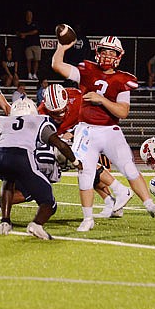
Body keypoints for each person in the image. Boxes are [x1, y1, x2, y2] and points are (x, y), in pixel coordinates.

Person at [52, 36, 155, 232]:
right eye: (104, 51)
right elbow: (57, 65)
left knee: (129, 168)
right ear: (98, 52)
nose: (107, 55)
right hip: (86, 130)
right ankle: (87, 219)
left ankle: (149, 204)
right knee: (84, 173)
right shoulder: (87, 69)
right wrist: (61, 46)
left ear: (119, 56)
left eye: (112, 52)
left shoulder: (123, 79)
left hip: (111, 131)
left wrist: (101, 100)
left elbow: (123, 112)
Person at [0, 97, 83, 239]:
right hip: (21, 157)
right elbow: (60, 144)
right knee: (49, 202)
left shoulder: (2, 120)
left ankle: (5, 221)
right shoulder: (39, 121)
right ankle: (37, 224)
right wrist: (75, 161)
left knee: (8, 181)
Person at [39, 84, 134, 218]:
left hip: (87, 128)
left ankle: (120, 190)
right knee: (84, 170)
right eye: (56, 113)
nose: (60, 115)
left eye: (62, 110)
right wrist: (61, 137)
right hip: (64, 138)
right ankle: (110, 202)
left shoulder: (78, 97)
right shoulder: (41, 112)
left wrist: (75, 132)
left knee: (83, 164)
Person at [16, 10, 41, 80]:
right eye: (27, 15)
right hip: (28, 45)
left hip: (36, 44)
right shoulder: (23, 25)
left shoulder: (35, 23)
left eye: (30, 15)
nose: (29, 16)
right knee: (29, 59)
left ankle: (35, 74)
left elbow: (35, 31)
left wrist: (25, 34)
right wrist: (21, 34)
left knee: (36, 60)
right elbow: (19, 32)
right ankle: (29, 74)